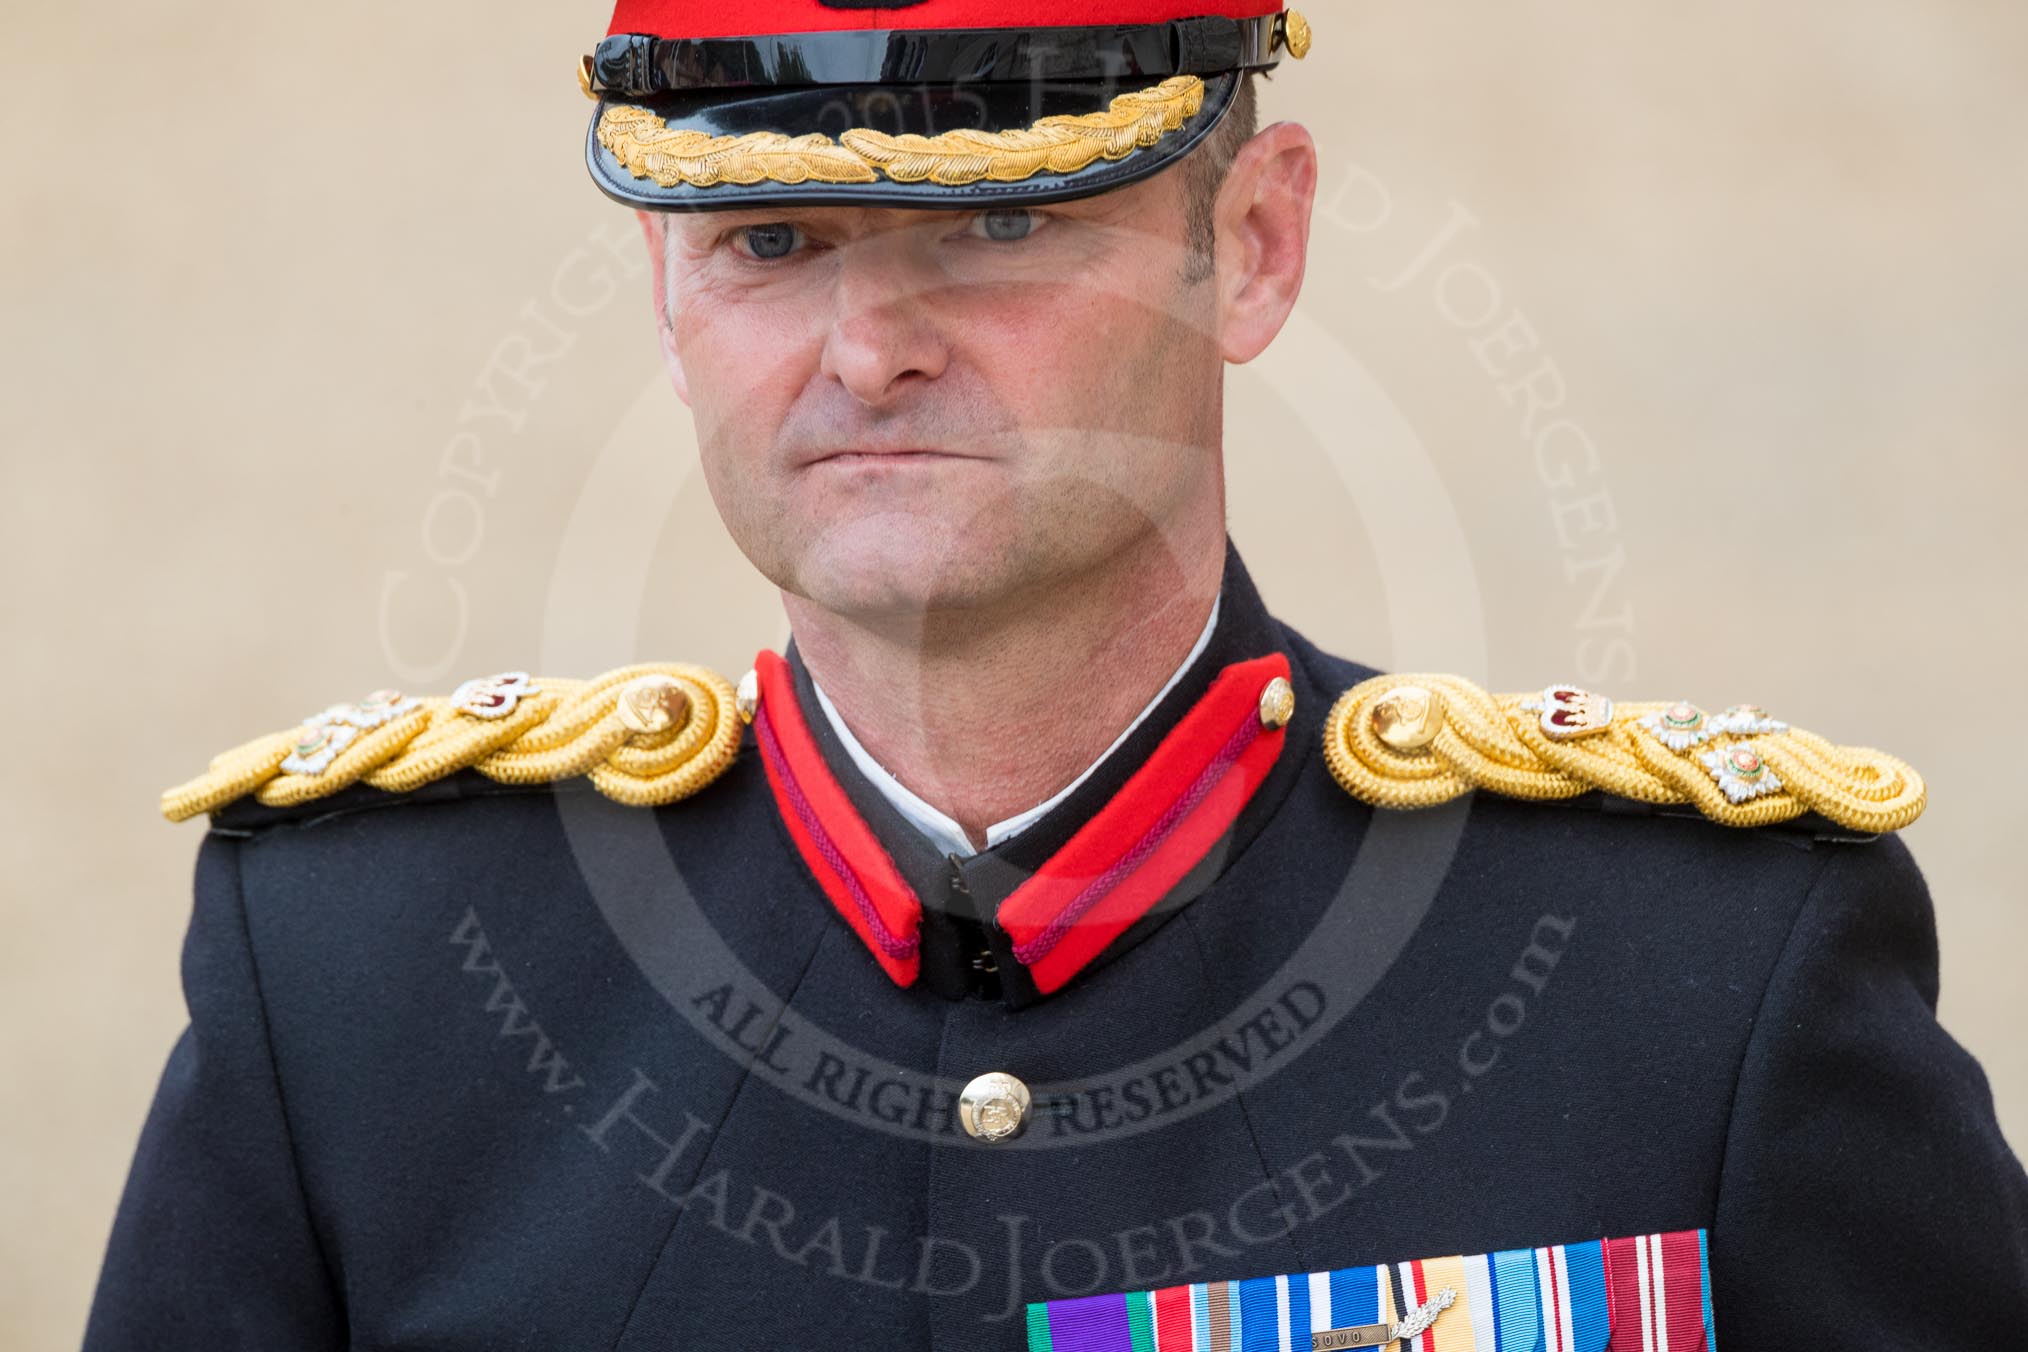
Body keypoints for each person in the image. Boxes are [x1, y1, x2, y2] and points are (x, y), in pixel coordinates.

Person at [85, 2, 2028, 1348]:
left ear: (1254, 248)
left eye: (1001, 219)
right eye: (771, 237)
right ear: (669, 298)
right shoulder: (352, 989)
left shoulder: (1699, 981)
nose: (870, 348)